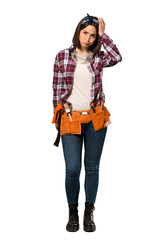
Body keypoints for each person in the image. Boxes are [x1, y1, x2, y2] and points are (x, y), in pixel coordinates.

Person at [52, 13, 122, 232]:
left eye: (93, 35)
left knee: (92, 168)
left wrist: (104, 34)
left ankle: (88, 212)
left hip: (95, 119)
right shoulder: (62, 56)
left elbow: (117, 57)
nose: (88, 38)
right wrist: (57, 116)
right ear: (78, 32)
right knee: (72, 169)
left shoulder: (99, 58)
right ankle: (72, 212)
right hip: (70, 119)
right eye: (85, 33)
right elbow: (56, 89)